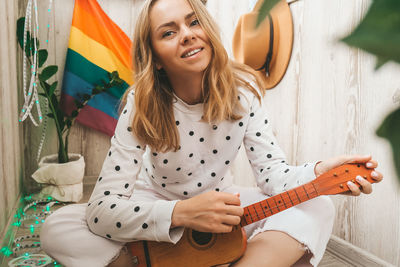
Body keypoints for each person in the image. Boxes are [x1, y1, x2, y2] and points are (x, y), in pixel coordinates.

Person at [40, 0, 383, 266]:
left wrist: (318, 172)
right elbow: (101, 210)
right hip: (155, 203)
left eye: (193, 21)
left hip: (223, 205)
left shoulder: (243, 94)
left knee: (318, 207)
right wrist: (180, 214)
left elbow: (273, 176)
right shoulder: (140, 104)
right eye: (168, 32)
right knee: (58, 228)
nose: (188, 33)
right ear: (156, 58)